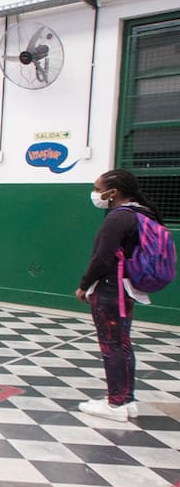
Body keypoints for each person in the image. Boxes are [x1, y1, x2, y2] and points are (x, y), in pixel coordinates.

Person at [75, 169, 158, 422]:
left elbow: (102, 258)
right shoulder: (143, 213)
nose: (96, 194)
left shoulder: (118, 217)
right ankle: (126, 398)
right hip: (127, 287)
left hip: (110, 288)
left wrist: (84, 285)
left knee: (110, 345)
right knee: (122, 343)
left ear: (115, 192)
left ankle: (115, 404)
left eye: (99, 189)